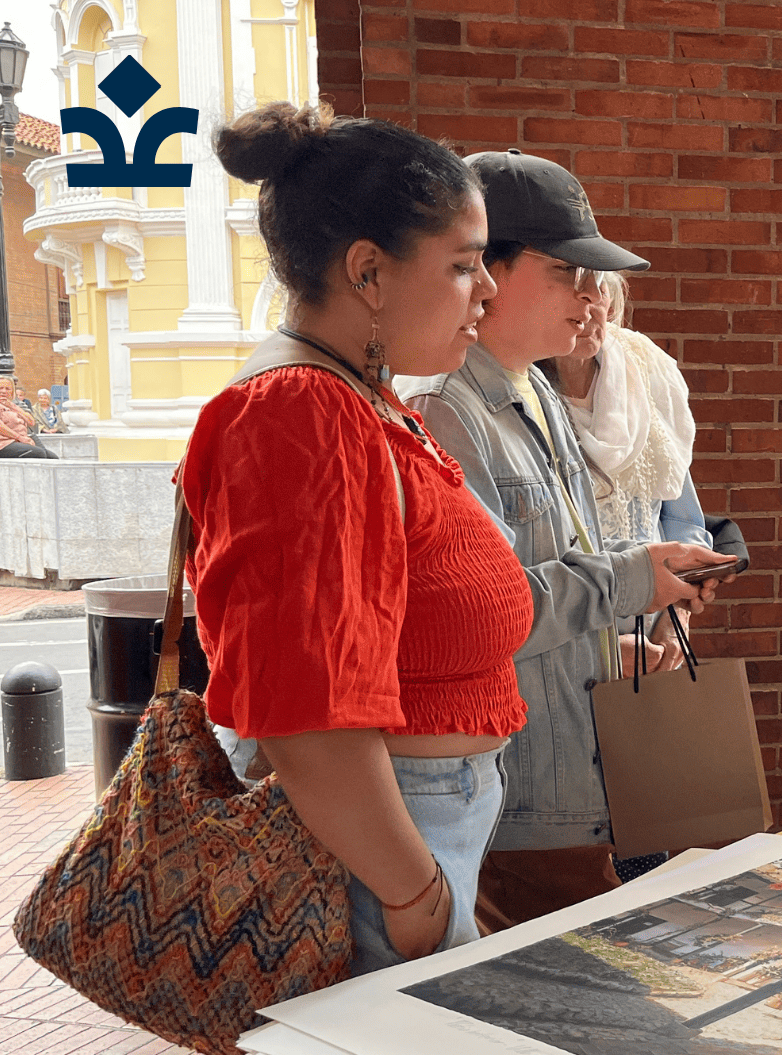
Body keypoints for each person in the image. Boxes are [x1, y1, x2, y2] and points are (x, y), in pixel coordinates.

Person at [189, 102, 529, 975]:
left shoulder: (354, 397)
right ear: (369, 272)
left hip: (402, 838)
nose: (487, 290)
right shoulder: (302, 411)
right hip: (373, 855)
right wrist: (414, 895)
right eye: (463, 265)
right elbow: (306, 714)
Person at [400, 148, 738, 932]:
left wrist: (608, 649)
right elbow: (482, 616)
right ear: (488, 271)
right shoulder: (444, 408)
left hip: (575, 786)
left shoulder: (534, 390)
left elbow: (546, 579)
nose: (592, 295)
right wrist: (634, 580)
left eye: (594, 275)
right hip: (516, 804)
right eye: (566, 271)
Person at [541, 269, 710, 675]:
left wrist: (678, 615)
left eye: (598, 288)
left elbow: (683, 520)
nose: (587, 303)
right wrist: (598, 651)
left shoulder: (646, 373)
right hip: (562, 652)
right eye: (571, 285)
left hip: (656, 647)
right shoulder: (523, 389)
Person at [0, 377, 58, 459]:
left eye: (8, 389)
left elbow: (31, 422)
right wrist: (20, 438)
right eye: (0, 388)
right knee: (38, 453)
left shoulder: (10, 404)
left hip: (17, 441)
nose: (4, 391)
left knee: (53, 458)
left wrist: (13, 406)